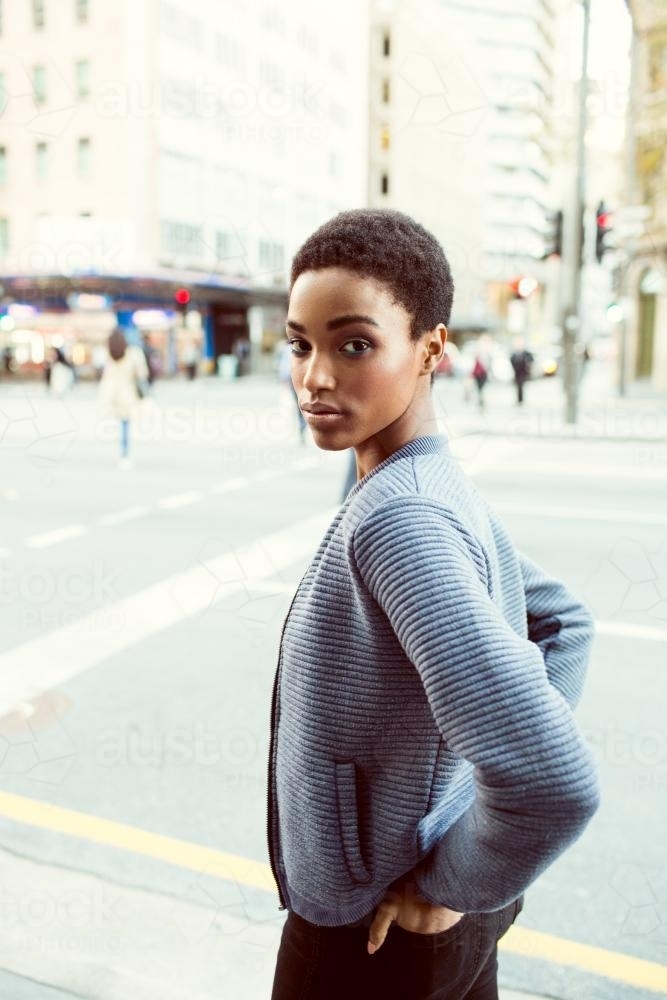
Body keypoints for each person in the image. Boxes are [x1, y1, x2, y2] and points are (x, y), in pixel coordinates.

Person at [268, 209, 599, 1000]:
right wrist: (456, 828)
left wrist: (445, 883)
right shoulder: (422, 482)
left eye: (353, 345)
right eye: (300, 344)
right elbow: (562, 622)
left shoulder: (401, 519)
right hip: (428, 906)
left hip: (374, 934)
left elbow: (552, 781)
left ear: (430, 349)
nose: (315, 377)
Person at [99, 328, 149, 469]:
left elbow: (105, 375)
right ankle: (125, 454)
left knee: (121, 423)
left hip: (111, 393)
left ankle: (123, 453)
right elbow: (142, 374)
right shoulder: (134, 353)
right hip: (128, 393)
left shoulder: (109, 354)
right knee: (125, 423)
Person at [276, 337, 306, 444]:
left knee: (298, 405)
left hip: (293, 379)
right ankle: (301, 428)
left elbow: (284, 366)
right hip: (296, 379)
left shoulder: (286, 349)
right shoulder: (294, 349)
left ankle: (301, 428)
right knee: (300, 405)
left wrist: (283, 378)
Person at [509, 338, 534, 405]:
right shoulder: (514, 354)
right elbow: (511, 361)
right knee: (518, 387)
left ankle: (521, 400)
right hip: (517, 373)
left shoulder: (526, 353)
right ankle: (519, 400)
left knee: (522, 386)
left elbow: (531, 360)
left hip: (524, 372)